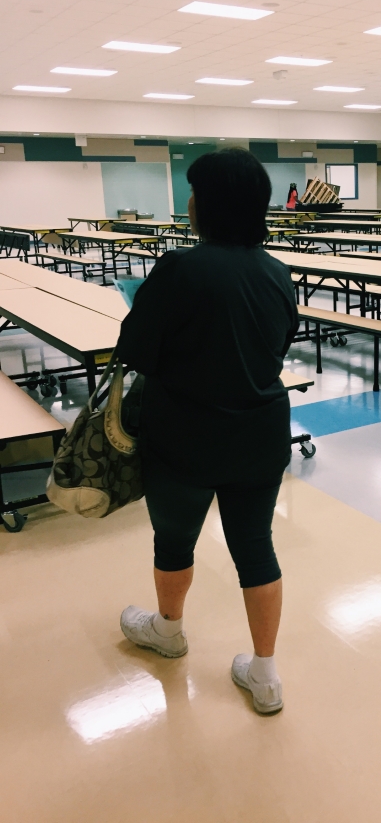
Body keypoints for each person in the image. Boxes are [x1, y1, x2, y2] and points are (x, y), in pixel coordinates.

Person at [116, 148, 299, 715]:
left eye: (194, 193)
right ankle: (265, 675)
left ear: (208, 206)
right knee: (255, 546)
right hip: (259, 431)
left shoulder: (179, 268)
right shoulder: (277, 272)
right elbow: (275, 344)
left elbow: (135, 352)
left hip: (183, 436)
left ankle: (168, 632)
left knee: (174, 541)